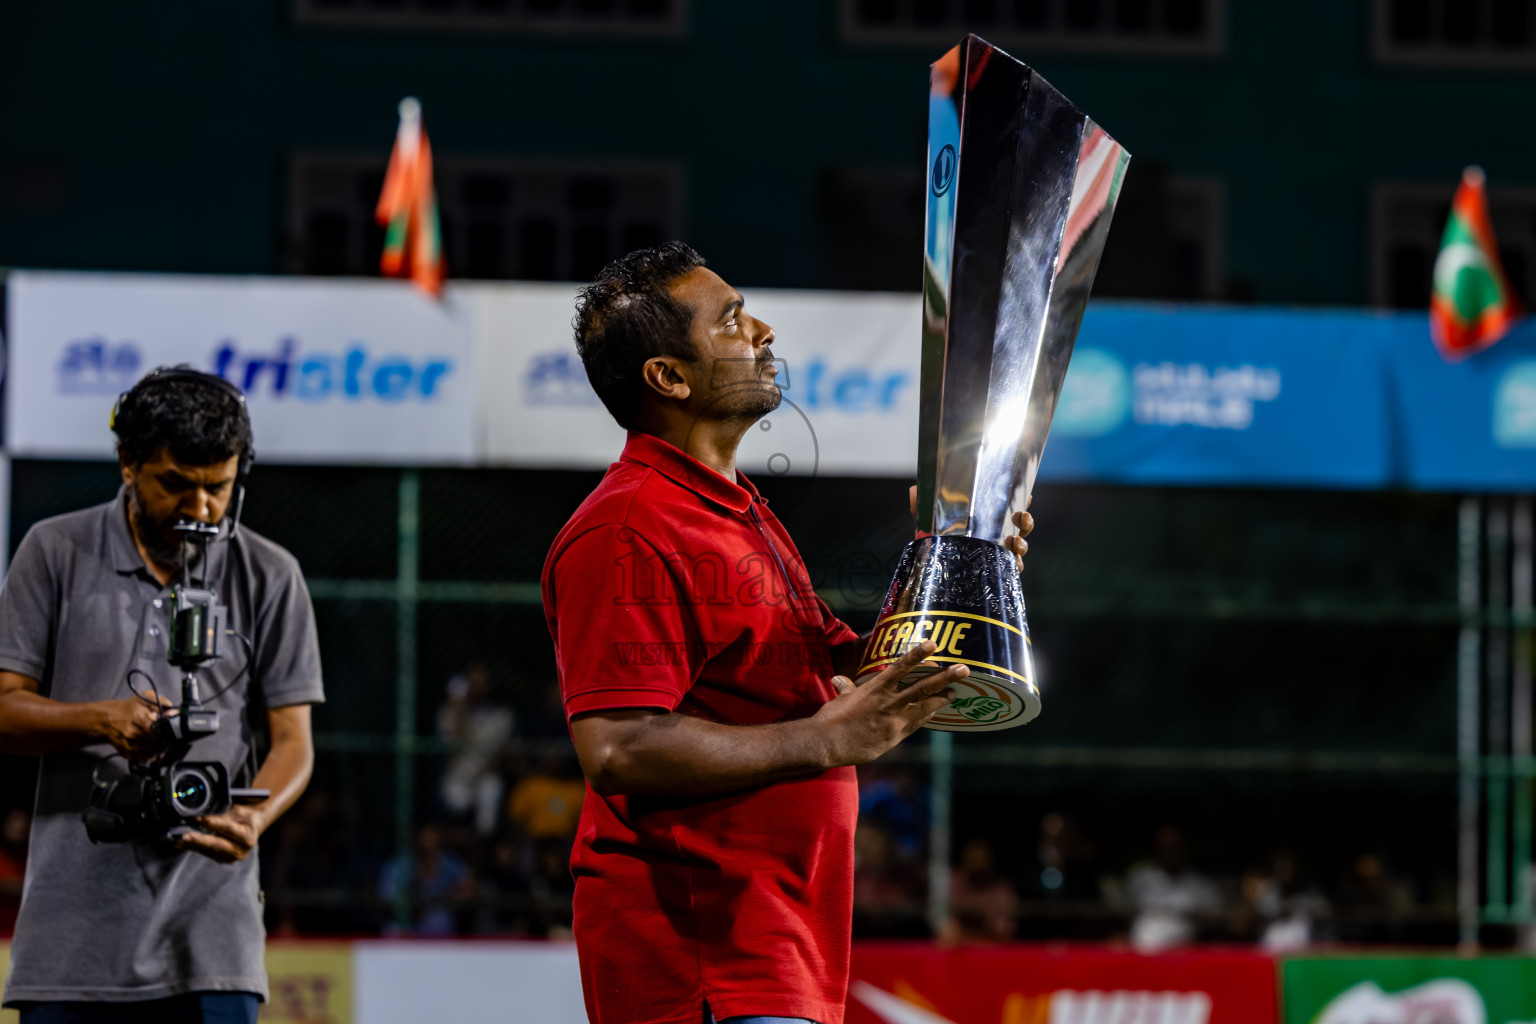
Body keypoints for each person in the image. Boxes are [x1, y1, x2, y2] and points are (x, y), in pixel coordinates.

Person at [542, 243, 1031, 1024]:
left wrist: (960, 563)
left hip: (774, 951)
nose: (763, 330)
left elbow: (854, 675)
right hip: (703, 963)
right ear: (669, 378)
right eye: (733, 321)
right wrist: (823, 742)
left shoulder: (738, 511)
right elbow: (618, 747)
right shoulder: (627, 528)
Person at [0, 367, 324, 1023]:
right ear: (128, 463)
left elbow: (294, 741)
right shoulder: (54, 550)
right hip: (70, 939)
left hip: (213, 939)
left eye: (218, 488)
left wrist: (253, 821)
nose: (200, 508)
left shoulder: (269, 572)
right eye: (175, 484)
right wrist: (101, 720)